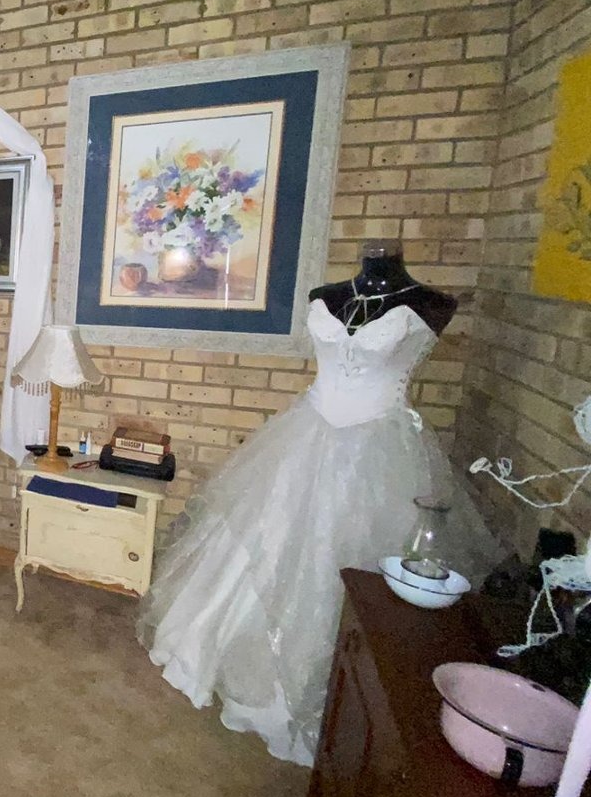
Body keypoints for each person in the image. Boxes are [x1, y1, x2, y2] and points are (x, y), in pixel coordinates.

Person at [137, 243, 504, 764]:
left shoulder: (431, 303)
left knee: (350, 559)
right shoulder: (326, 295)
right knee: (264, 542)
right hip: (307, 434)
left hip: (378, 447)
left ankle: (321, 691)